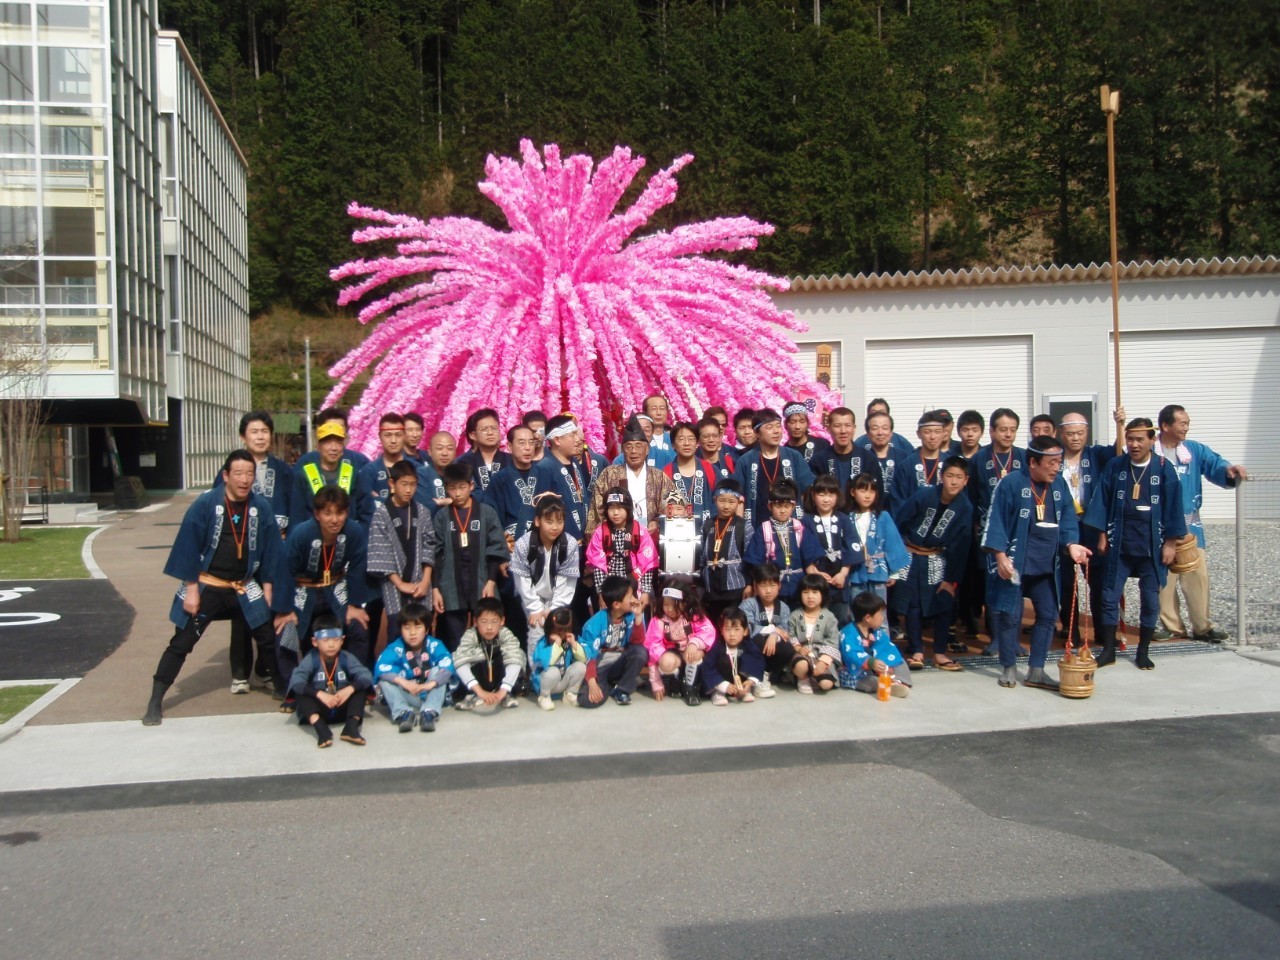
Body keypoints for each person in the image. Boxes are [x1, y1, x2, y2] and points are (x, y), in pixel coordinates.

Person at [142, 450, 286, 725]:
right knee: (182, 642)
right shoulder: (206, 503)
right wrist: (192, 589)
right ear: (226, 476)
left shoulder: (260, 506)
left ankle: (281, 686)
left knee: (268, 636)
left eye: (249, 474)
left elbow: (272, 551)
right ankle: (155, 699)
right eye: (239, 474)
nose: (245, 480)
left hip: (244, 586)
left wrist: (267, 587)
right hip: (208, 584)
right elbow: (188, 546)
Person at [981, 435, 1092, 690]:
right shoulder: (1010, 484)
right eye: (1051, 463)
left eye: (1059, 462)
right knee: (1010, 616)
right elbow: (994, 520)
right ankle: (1009, 666)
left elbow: (1068, 522)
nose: (1056, 468)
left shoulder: (1059, 485)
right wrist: (999, 556)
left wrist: (1071, 544)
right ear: (1033, 462)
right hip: (1017, 561)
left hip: (1046, 564)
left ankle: (1036, 670)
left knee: (1048, 615)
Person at [1084, 418, 1187, 669]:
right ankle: (1108, 650)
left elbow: (1174, 508)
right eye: (1130, 439)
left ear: (1152, 440)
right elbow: (1102, 500)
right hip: (1120, 542)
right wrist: (1101, 534)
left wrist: (1170, 543)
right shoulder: (1116, 465)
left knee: (1150, 599)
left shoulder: (1164, 468)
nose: (1134, 444)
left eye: (1140, 439)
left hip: (1151, 543)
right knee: (1109, 596)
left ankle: (1142, 651)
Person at [1154, 404, 1246, 642]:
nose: (1186, 427)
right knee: (1163, 581)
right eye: (1182, 423)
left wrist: (1229, 470)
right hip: (1158, 528)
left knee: (1197, 577)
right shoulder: (1150, 452)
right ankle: (1172, 627)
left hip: (1190, 526)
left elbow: (1214, 463)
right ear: (1165, 426)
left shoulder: (1193, 450)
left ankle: (1203, 627)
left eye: (1187, 422)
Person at [215, 412, 292, 693]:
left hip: (276, 552)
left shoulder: (284, 470)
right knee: (241, 614)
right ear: (243, 437)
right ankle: (240, 672)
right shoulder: (230, 469)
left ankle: (268, 668)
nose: (260, 436)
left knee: (274, 610)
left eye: (264, 431)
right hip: (242, 554)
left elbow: (293, 507)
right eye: (254, 431)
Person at [274, 485, 371, 700]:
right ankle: (294, 691)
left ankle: (355, 686)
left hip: (336, 588)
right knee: (286, 633)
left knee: (359, 628)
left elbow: (357, 566)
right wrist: (284, 610)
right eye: (327, 513)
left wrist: (354, 605)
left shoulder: (354, 531)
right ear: (317, 514)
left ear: (347, 512)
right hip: (303, 589)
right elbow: (285, 571)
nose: (334, 519)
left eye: (340, 513)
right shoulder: (301, 533)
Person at [891, 457, 973, 671]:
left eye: (959, 477)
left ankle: (939, 652)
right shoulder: (925, 494)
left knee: (945, 603)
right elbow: (900, 522)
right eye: (949, 476)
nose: (953, 482)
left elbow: (961, 545)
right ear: (941, 477)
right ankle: (917, 649)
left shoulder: (965, 507)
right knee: (913, 604)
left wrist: (951, 579)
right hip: (911, 554)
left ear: (966, 480)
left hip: (939, 557)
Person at [431, 461, 509, 652]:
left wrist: (491, 581)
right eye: (452, 488)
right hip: (451, 586)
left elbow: (496, 549)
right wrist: (435, 589)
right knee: (455, 641)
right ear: (446, 489)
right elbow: (434, 554)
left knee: (488, 636)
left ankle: (487, 677)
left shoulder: (486, 513)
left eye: (462, 487)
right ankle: (457, 680)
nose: (457, 493)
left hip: (482, 582)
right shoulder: (442, 517)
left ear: (471, 486)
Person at [1056, 411, 1119, 640]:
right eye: (1070, 433)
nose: (1075, 438)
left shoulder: (1096, 455)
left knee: (1098, 580)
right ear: (1061, 433)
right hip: (1064, 525)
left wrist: (1119, 425)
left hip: (1091, 524)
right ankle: (1070, 629)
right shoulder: (1055, 457)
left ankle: (1103, 633)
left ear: (1087, 433)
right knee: (1064, 581)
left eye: (1080, 433)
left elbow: (1118, 453)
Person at [366, 460, 435, 641]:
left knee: (424, 631)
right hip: (394, 586)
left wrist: (426, 580)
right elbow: (381, 553)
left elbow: (430, 546)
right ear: (392, 484)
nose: (408, 490)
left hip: (421, 583)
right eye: (404, 484)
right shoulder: (381, 514)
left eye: (412, 485)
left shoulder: (423, 511)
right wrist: (399, 583)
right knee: (397, 631)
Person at [288, 612, 373, 747]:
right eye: (326, 640)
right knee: (300, 691)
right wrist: (320, 694)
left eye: (335, 639)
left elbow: (366, 675)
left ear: (342, 640)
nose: (331, 645)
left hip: (341, 704)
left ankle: (351, 727)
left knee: (361, 689)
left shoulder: (346, 657)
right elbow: (297, 680)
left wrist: (349, 690)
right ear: (315, 642)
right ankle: (321, 729)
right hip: (320, 708)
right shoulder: (311, 659)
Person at [509, 495, 580, 647]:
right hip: (530, 597)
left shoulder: (570, 544)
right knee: (537, 629)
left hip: (557, 598)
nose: (555, 527)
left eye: (559, 522)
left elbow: (567, 581)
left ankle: (558, 667)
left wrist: (554, 609)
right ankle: (538, 669)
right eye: (549, 521)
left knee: (557, 631)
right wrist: (535, 608)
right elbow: (522, 581)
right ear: (537, 521)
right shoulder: (524, 544)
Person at [373, 601, 454, 732]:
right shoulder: (395, 648)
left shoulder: (435, 645)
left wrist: (430, 684)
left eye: (417, 627)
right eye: (407, 628)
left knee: (439, 671)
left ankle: (429, 713)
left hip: (430, 693)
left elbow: (447, 664)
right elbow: (381, 667)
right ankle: (404, 714)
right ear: (400, 630)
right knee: (385, 681)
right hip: (408, 694)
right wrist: (404, 683)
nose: (412, 633)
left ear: (427, 629)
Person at [590, 414, 675, 537]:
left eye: (639, 446)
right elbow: (598, 508)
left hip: (650, 537)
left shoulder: (658, 476)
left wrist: (657, 522)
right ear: (623, 450)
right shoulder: (609, 474)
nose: (634, 451)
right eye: (629, 447)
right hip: (616, 536)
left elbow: (673, 504)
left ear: (647, 450)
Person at [735, 408, 815, 527]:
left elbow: (807, 489)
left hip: (791, 524)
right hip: (758, 525)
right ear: (757, 433)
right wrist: (741, 527)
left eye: (778, 426)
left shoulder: (793, 456)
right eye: (769, 427)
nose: (776, 431)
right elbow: (738, 496)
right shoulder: (746, 460)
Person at [577, 575, 649, 707]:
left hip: (620, 662)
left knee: (640, 652)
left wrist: (638, 616)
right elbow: (589, 655)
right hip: (601, 666)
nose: (634, 600)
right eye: (630, 597)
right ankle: (609, 684)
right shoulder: (594, 624)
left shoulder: (631, 616)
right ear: (616, 604)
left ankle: (622, 689)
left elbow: (637, 643)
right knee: (589, 701)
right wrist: (592, 683)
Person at [584, 487, 660, 610]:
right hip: (609, 584)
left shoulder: (639, 530)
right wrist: (601, 594)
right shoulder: (600, 532)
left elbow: (647, 563)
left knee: (635, 622)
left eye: (619, 508)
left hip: (634, 582)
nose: (615, 513)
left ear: (628, 508)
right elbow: (598, 567)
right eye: (611, 508)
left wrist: (645, 591)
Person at [644, 576, 716, 705]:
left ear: (685, 603)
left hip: (691, 652)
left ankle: (690, 687)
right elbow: (653, 647)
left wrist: (694, 644)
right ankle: (675, 681)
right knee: (665, 661)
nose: (669, 609)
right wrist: (655, 681)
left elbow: (708, 631)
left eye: (674, 605)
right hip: (674, 654)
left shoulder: (693, 615)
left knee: (696, 654)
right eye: (666, 605)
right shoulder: (658, 621)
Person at [800, 474, 859, 625]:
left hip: (839, 580)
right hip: (816, 581)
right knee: (816, 621)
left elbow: (852, 546)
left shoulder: (843, 519)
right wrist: (814, 573)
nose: (826, 499)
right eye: (821, 494)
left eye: (831, 494)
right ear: (813, 495)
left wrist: (843, 573)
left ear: (837, 496)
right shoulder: (805, 521)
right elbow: (802, 549)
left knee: (840, 620)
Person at [451, 596, 526, 710]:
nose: (489, 627)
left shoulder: (505, 634)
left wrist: (503, 689)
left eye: (494, 621)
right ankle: (472, 695)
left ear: (502, 621)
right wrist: (480, 691)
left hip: (500, 680)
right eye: (484, 622)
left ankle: (506, 695)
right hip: (479, 681)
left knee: (518, 654)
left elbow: (515, 659)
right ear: (475, 621)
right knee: (459, 658)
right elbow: (460, 662)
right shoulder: (470, 635)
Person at [288, 420, 365, 529]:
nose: (333, 448)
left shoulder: (352, 474)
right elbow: (296, 515)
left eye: (338, 443)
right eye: (328, 442)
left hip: (346, 538)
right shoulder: (304, 475)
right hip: (312, 538)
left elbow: (365, 512)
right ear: (319, 446)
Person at [846, 472, 910, 602]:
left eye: (871, 491)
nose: (867, 495)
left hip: (878, 570)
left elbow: (893, 543)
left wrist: (894, 572)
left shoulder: (883, 516)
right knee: (856, 610)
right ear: (853, 492)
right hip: (855, 571)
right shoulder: (846, 518)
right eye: (863, 491)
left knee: (878, 610)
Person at [743, 479, 807, 604]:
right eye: (778, 506)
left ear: (793, 506)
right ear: (770, 506)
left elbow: (809, 558)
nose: (782, 510)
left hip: (798, 586)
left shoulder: (799, 528)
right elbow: (755, 563)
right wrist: (751, 584)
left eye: (787, 506)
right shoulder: (763, 529)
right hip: (771, 589)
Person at [699, 478, 753, 624]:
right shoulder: (707, 525)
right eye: (722, 500)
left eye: (731, 501)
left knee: (732, 625)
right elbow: (702, 558)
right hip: (711, 589)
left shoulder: (743, 526)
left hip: (735, 589)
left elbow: (750, 558)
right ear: (715, 500)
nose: (726, 506)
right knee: (714, 625)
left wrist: (749, 584)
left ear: (738, 502)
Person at [839, 591, 910, 696]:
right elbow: (851, 653)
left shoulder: (877, 631)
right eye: (880, 614)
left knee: (899, 661)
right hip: (856, 672)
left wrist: (886, 665)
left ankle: (896, 681)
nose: (882, 617)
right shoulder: (848, 633)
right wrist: (871, 662)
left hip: (876, 670)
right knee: (871, 684)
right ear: (868, 618)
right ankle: (888, 684)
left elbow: (886, 648)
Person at [487, 424, 545, 546]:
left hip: (543, 541)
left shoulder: (546, 473)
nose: (528, 448)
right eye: (522, 443)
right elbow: (493, 518)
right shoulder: (500, 479)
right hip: (512, 544)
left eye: (531, 442)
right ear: (509, 446)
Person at [739, 562, 791, 697]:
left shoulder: (784, 607)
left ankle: (767, 672)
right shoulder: (748, 604)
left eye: (773, 585)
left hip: (772, 646)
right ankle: (758, 676)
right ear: (755, 587)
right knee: (756, 639)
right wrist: (772, 629)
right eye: (763, 586)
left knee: (788, 649)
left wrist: (774, 635)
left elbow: (784, 631)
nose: (768, 591)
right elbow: (747, 628)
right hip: (751, 645)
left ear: (779, 586)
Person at [540, 414, 594, 542]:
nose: (578, 439)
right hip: (560, 543)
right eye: (573, 435)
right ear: (557, 440)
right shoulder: (545, 467)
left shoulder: (575, 462)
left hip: (582, 540)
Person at [787, 574, 841, 693]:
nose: (810, 597)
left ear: (823, 594)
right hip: (802, 654)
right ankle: (804, 678)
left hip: (821, 655)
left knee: (826, 684)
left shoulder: (829, 617)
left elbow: (832, 641)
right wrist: (798, 648)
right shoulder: (795, 616)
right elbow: (791, 635)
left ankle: (816, 676)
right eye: (805, 592)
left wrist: (823, 661)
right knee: (801, 665)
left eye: (815, 592)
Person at [701, 607, 767, 705]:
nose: (732, 634)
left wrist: (750, 681)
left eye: (736, 629)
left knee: (750, 658)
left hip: (741, 681)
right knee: (723, 661)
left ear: (745, 631)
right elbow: (707, 667)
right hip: (721, 681)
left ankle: (745, 689)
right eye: (727, 629)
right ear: (722, 631)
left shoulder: (748, 645)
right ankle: (718, 692)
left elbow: (758, 661)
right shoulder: (717, 647)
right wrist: (722, 685)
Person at [812, 406, 883, 496]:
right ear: (829, 429)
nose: (843, 431)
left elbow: (878, 492)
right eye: (837, 426)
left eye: (847, 425)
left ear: (854, 428)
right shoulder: (819, 460)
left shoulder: (868, 459)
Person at [355, 412, 409, 524]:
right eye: (388, 435)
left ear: (404, 436)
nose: (393, 440)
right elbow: (365, 512)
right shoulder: (368, 472)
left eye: (398, 435)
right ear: (380, 436)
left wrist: (380, 500)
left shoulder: (417, 469)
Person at [890, 410, 951, 509]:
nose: (932, 437)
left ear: (944, 433)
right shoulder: (906, 465)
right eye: (927, 432)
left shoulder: (950, 463)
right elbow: (898, 502)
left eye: (937, 431)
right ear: (918, 434)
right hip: (913, 522)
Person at [531, 607, 587, 710]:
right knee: (553, 671)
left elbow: (584, 659)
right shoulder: (543, 643)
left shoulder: (572, 640)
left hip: (562, 682)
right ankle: (544, 697)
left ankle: (570, 693)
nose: (562, 634)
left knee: (581, 666)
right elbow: (548, 662)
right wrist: (557, 643)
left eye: (566, 630)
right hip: (545, 683)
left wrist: (574, 644)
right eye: (558, 631)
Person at [663, 422, 716, 528]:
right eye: (681, 439)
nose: (686, 443)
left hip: (708, 531)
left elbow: (721, 496)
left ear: (697, 443)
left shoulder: (709, 469)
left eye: (691, 439)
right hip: (678, 531)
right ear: (673, 444)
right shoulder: (666, 472)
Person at [456, 407, 511, 501]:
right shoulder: (463, 463)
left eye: (494, 428)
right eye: (484, 429)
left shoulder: (511, 460)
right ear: (473, 435)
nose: (490, 433)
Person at [861, 410, 902, 511]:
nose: (880, 433)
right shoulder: (862, 458)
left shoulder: (903, 457)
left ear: (891, 432)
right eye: (875, 428)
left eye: (885, 428)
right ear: (868, 433)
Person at [783, 401, 833, 465]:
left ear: (808, 423)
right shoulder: (784, 452)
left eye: (802, 421)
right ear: (785, 424)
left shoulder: (822, 444)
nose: (797, 427)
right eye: (793, 422)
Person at [696, 415, 736, 481]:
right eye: (706, 436)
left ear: (720, 436)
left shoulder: (731, 462)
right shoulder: (693, 465)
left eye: (715, 436)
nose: (711, 440)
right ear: (698, 439)